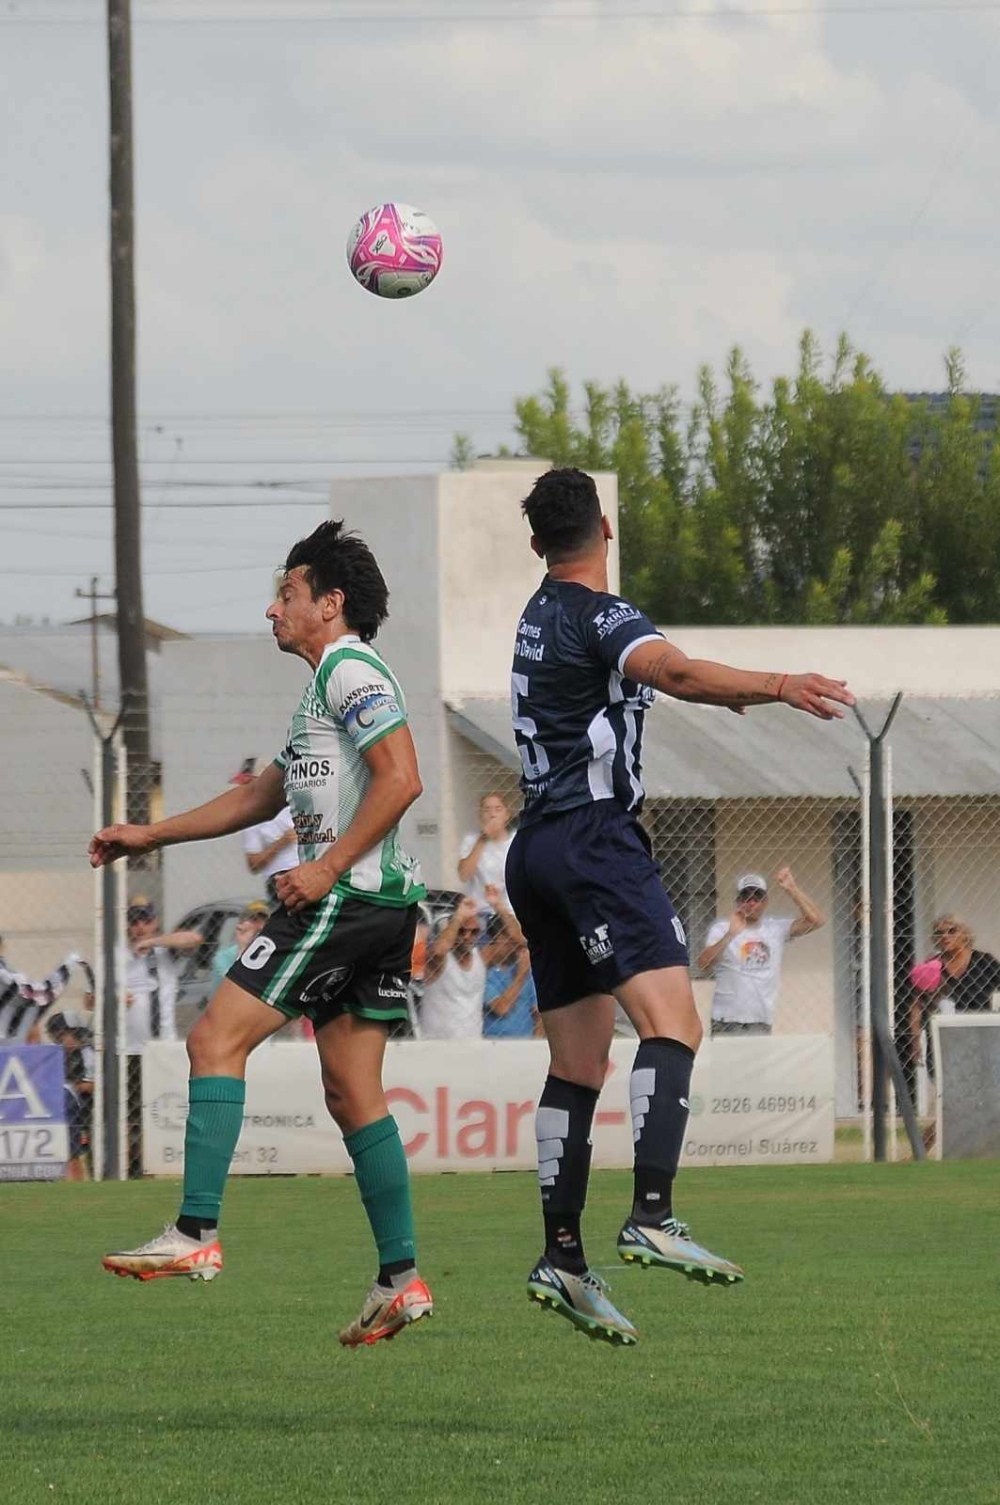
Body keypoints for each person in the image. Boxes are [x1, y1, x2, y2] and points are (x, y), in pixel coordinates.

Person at [504, 467, 854, 1345]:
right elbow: (673, 667)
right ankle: (651, 1213)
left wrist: (724, 689)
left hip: (534, 847)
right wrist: (774, 682)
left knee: (577, 1065)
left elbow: (650, 687)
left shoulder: (537, 615)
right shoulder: (600, 614)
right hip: (594, 843)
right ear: (607, 530)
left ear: (539, 543)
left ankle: (562, 1256)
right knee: (675, 1023)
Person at [90, 519, 433, 1348]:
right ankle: (401, 1278)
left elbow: (403, 779)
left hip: (344, 899)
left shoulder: (351, 669)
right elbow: (259, 798)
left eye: (287, 592)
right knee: (352, 1091)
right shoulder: (323, 688)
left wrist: (322, 870)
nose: (273, 607)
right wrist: (150, 832)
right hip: (374, 905)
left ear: (330, 602)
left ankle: (195, 1230)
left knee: (215, 1037)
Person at [697, 868, 825, 1036]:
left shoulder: (775, 929)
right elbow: (703, 963)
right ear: (738, 901)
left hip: (761, 1019)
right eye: (746, 897)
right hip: (726, 1019)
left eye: (757, 897)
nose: (751, 903)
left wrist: (792, 889)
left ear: (765, 901)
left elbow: (816, 921)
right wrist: (731, 934)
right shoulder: (721, 928)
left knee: (760, 1063)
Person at [232, 759, 300, 906]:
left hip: (308, 873)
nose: (243, 789)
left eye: (248, 783)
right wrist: (281, 843)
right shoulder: (252, 818)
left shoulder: (296, 803)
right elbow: (253, 864)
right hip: (279, 877)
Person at [418, 897, 487, 1039]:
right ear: (452, 929)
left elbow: (518, 942)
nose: (467, 936)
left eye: (474, 932)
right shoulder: (440, 959)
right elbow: (438, 952)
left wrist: (498, 904)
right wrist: (459, 917)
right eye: (462, 931)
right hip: (437, 1044)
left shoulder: (482, 957)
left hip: (473, 1044)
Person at [482, 886, 538, 1040]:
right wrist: (521, 975)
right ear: (495, 938)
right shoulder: (486, 973)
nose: (512, 942)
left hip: (527, 1043)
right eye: (506, 937)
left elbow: (538, 1013)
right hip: (496, 1043)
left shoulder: (526, 968)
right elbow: (502, 1008)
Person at [457, 792, 514, 912]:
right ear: (480, 815)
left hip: (510, 911)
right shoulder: (471, 840)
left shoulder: (515, 841)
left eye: (498, 809)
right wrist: (483, 839)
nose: (492, 815)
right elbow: (464, 875)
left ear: (507, 815)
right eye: (486, 810)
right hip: (480, 911)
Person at [210, 901, 271, 992]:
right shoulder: (222, 957)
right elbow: (236, 984)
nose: (260, 926)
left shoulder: (269, 955)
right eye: (254, 920)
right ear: (241, 925)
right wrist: (243, 947)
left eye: (264, 921)